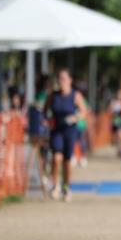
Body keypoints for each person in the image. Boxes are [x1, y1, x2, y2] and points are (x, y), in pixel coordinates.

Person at [44, 69, 88, 202]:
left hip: (70, 130)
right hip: (57, 130)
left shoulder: (76, 95)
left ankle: (66, 186)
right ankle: (55, 185)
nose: (61, 81)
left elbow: (84, 112)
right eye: (59, 79)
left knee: (67, 161)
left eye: (64, 78)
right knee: (56, 157)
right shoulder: (54, 95)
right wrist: (46, 120)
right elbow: (45, 111)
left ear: (70, 80)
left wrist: (75, 118)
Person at [110, 89, 121, 158]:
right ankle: (119, 149)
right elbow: (110, 110)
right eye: (119, 94)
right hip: (116, 121)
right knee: (117, 136)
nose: (120, 96)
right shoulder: (114, 102)